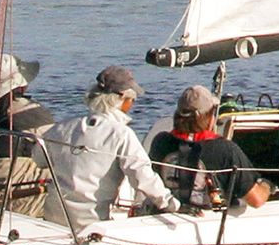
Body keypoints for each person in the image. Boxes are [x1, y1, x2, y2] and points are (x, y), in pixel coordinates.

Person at [45, 66, 179, 223]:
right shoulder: (122, 134)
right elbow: (142, 177)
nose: (133, 103)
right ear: (122, 98)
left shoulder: (63, 127)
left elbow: (39, 158)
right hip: (91, 223)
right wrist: (171, 204)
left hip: (53, 217)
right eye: (133, 99)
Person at [148, 87, 271, 210]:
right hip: (208, 219)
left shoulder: (160, 142)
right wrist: (267, 185)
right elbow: (257, 200)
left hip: (168, 213)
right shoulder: (225, 150)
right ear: (210, 118)